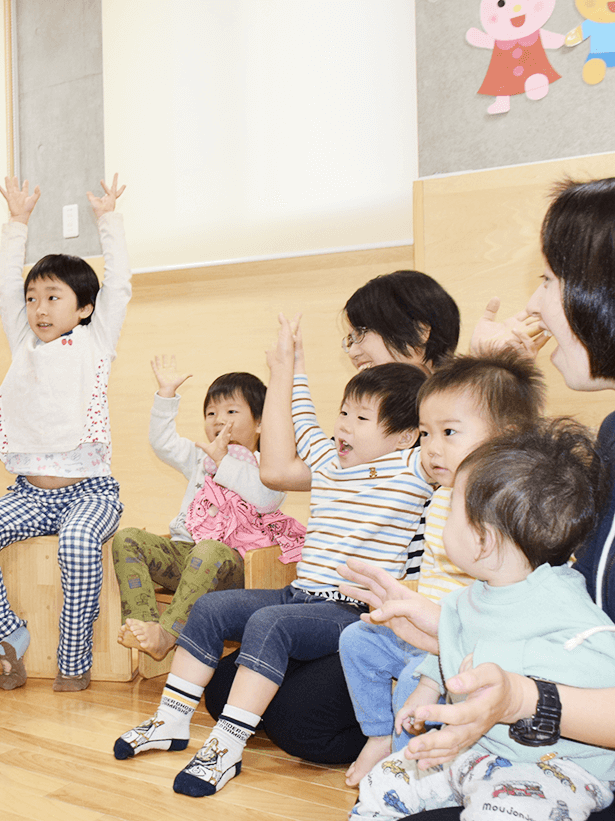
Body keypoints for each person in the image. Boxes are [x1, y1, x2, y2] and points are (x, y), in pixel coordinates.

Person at [343, 172, 615, 821]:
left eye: (550, 281)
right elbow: (562, 611)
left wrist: (529, 700)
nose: (537, 302)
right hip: (565, 750)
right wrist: (443, 625)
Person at [113, 317, 432, 796]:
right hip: (301, 593)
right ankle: (169, 721)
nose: (343, 426)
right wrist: (293, 365)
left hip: (353, 611)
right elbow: (301, 419)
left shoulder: (413, 470)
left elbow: (463, 437)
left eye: (361, 419)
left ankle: (225, 748)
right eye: (343, 414)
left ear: (407, 436)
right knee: (211, 607)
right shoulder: (327, 464)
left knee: (270, 625)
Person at [347, 420, 615, 821]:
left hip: (554, 769)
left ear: (483, 540)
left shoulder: (559, 600)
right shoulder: (474, 595)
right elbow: (454, 636)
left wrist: (510, 663)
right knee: (385, 782)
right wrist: (425, 689)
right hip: (480, 750)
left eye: (450, 512)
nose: (442, 521)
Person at [0, 174, 130, 693]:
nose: (39, 308)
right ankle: (9, 636)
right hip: (30, 495)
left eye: (53, 297)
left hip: (91, 493)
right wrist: (17, 223)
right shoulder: (23, 344)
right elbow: (4, 290)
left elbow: (118, 284)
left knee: (78, 543)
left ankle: (73, 658)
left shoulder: (95, 342)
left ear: (84, 308)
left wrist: (109, 222)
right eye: (34, 299)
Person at [340, 351, 545, 786]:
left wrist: (433, 663)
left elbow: (492, 607)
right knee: (358, 638)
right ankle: (379, 736)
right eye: (427, 433)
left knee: (411, 692)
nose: (432, 448)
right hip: (426, 631)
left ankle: (402, 778)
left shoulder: (505, 512)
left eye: (449, 432)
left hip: (466, 647)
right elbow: (430, 572)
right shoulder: (440, 499)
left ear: (507, 438)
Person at [113, 356, 306, 662]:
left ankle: (167, 635)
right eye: (211, 412)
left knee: (209, 551)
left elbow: (266, 499)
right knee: (127, 538)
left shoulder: (270, 465)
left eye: (231, 411)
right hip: (186, 552)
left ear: (259, 422)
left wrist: (223, 463)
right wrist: (165, 396)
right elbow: (162, 442)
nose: (218, 419)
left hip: (233, 565)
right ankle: (146, 625)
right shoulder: (198, 457)